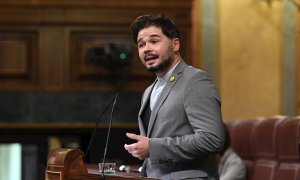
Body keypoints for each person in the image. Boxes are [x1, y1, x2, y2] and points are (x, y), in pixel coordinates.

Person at [124, 14, 225, 180]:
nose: (146, 48)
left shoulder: (195, 80)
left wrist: (153, 148)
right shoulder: (149, 91)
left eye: (154, 41)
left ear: (175, 44)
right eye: (141, 44)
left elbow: (212, 139)